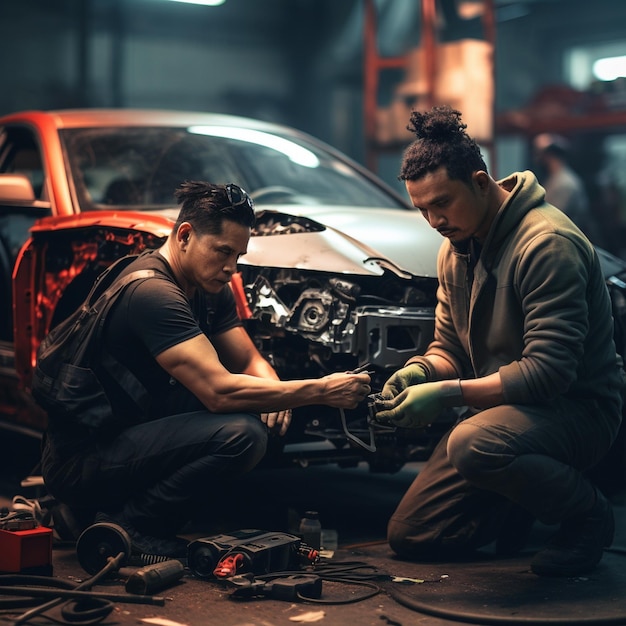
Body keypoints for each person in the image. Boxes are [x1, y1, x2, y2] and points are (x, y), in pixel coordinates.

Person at [40, 180, 371, 558]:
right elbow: (219, 392)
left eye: (239, 255)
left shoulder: (209, 289)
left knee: (266, 413)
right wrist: (321, 391)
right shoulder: (154, 294)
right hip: (79, 460)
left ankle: (90, 514)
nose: (231, 268)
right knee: (242, 434)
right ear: (184, 235)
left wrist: (277, 395)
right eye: (223, 252)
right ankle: (131, 526)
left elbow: (246, 360)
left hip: (122, 433)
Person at [374, 106, 624, 577]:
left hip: (578, 411)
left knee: (472, 444)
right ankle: (522, 497)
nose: (434, 220)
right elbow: (448, 348)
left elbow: (550, 373)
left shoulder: (546, 243)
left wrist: (447, 394)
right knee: (413, 536)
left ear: (482, 182)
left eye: (442, 203)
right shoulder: (456, 250)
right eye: (422, 208)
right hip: (501, 415)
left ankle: (587, 514)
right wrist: (420, 371)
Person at [533, 133, 596, 239]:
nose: (537, 158)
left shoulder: (565, 182)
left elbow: (552, 217)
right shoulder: (554, 179)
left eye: (540, 154)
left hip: (566, 239)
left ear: (549, 155)